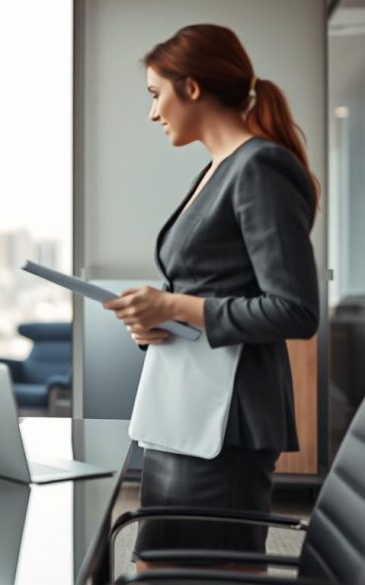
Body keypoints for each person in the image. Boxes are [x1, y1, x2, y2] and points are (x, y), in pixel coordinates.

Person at [103, 24, 319, 566]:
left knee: (199, 570)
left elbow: (294, 309)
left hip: (225, 423)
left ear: (192, 87)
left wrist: (173, 305)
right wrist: (153, 324)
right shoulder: (219, 169)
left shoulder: (259, 166)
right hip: (185, 409)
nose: (154, 113)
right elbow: (209, 292)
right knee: (159, 563)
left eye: (157, 95)